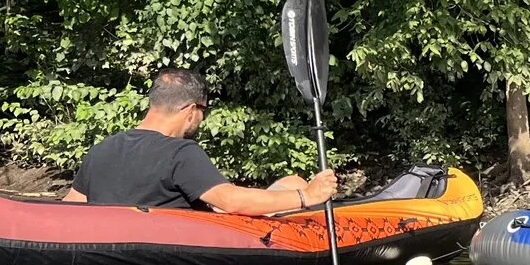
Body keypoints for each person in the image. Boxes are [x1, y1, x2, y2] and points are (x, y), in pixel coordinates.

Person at [63, 68, 336, 215]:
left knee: (290, 182)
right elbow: (231, 202)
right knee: (297, 184)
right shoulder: (180, 152)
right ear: (190, 109)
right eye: (203, 111)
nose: (201, 119)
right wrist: (307, 196)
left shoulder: (101, 149)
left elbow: (68, 207)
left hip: (117, 252)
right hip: (189, 249)